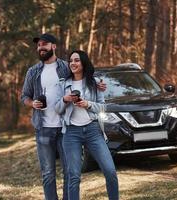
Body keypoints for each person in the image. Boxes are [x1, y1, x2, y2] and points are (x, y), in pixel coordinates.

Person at [21, 34, 106, 200]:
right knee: (48, 173)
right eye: (38, 45)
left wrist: (97, 84)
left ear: (53, 46)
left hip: (65, 127)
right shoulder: (33, 72)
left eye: (44, 44)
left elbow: (83, 76)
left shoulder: (66, 67)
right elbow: (24, 96)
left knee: (69, 171)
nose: (41, 48)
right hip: (43, 128)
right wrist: (32, 104)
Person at [55, 50, 119, 200]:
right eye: (71, 61)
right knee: (74, 176)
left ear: (83, 62)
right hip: (71, 133)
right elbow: (57, 109)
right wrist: (65, 99)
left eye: (76, 60)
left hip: (93, 130)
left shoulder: (95, 83)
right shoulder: (63, 84)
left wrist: (87, 104)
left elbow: (103, 107)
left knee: (110, 171)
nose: (73, 63)